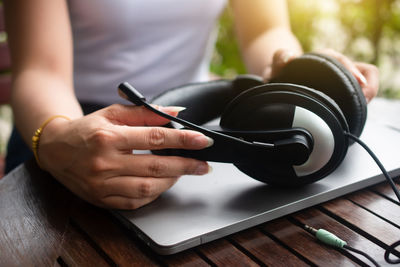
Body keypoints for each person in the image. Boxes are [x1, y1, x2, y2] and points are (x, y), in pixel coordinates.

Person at [4, 0, 378, 210]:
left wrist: (301, 74)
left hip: (194, 119)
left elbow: (265, 31)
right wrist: (56, 137)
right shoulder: (63, 130)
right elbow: (39, 71)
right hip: (70, 121)